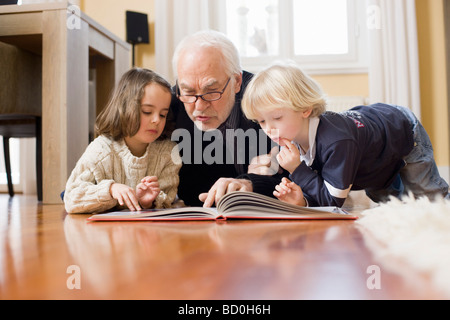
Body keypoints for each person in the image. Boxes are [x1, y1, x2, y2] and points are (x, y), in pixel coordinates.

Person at [241, 62, 450, 207]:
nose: (268, 129)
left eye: (277, 118)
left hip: (402, 129)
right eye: (261, 121)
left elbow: (333, 201)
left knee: (429, 198)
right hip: (371, 158)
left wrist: (297, 169)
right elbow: (319, 188)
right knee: (390, 201)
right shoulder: (290, 139)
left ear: (305, 109)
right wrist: (301, 199)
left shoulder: (336, 142)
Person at [170, 30, 285, 207]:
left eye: (211, 92)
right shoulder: (168, 105)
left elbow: (301, 175)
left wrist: (251, 183)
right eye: (189, 92)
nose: (199, 107)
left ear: (237, 81)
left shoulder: (268, 100)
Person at [64, 68, 182, 214]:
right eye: (147, 111)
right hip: (104, 235)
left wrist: (147, 202)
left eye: (163, 114)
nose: (157, 120)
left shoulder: (168, 153)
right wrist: (111, 189)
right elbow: (70, 198)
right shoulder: (101, 149)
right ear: (125, 107)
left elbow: (168, 198)